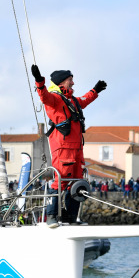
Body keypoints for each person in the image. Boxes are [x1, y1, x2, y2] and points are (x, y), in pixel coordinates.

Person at [31, 64, 107, 227]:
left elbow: (85, 100)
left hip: (77, 150)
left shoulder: (72, 101)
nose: (73, 83)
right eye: (70, 80)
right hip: (63, 149)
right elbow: (43, 97)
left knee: (78, 183)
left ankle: (71, 217)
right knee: (60, 181)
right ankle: (51, 216)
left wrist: (96, 90)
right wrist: (39, 81)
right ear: (61, 83)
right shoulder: (55, 99)